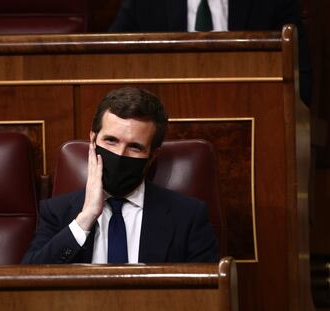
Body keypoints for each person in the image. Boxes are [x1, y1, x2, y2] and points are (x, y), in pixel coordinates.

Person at [22, 87, 219, 264]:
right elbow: (31, 284)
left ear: (153, 155)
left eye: (134, 147)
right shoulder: (57, 212)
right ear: (92, 140)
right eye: (110, 141)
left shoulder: (188, 216)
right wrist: (86, 217)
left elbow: (207, 297)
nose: (119, 155)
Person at [109, 0, 311, 105]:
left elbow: (299, 70)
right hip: (165, 116)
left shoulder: (274, 3)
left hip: (250, 114)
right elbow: (112, 59)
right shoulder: (141, 3)